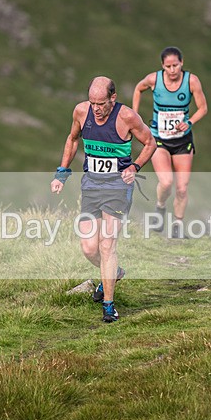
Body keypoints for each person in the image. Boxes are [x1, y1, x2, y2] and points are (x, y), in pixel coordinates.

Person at [51, 76, 155, 323]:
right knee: (89, 247)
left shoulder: (127, 117)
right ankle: (113, 272)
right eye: (93, 103)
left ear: (113, 98)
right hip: (91, 186)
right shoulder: (81, 111)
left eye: (101, 103)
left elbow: (150, 142)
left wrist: (135, 167)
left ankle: (109, 305)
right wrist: (62, 174)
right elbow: (72, 139)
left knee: (107, 245)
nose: (96, 109)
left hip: (117, 188)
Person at [132, 46, 208, 238]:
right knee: (166, 182)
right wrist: (135, 116)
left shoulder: (191, 81)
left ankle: (177, 228)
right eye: (168, 66)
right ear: (162, 66)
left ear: (182, 63)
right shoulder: (154, 79)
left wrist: (189, 122)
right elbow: (138, 89)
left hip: (182, 142)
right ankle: (160, 207)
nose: (172, 70)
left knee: (182, 188)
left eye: (175, 65)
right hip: (159, 140)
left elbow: (203, 108)